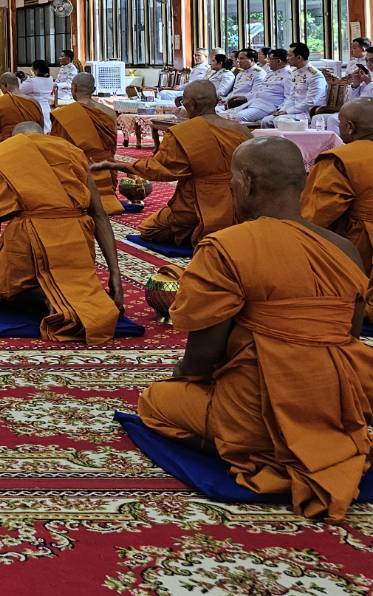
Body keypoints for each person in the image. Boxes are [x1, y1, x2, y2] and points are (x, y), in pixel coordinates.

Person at [136, 137, 373, 520]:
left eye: (232, 180)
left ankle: (263, 449)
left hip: (256, 410)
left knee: (156, 402)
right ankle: (314, 441)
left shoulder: (227, 246)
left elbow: (203, 356)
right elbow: (350, 331)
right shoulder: (343, 248)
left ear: (245, 182)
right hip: (336, 403)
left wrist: (182, 378)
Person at [0, 123, 125, 344]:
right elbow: (99, 214)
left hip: (30, 239)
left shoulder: (5, 154)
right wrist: (115, 273)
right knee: (79, 286)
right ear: (44, 135)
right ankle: (68, 294)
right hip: (77, 239)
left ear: (14, 138)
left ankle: (44, 295)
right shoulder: (71, 151)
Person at [101, 81, 251, 247]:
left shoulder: (185, 132)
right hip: (242, 203)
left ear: (189, 104)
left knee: (150, 229)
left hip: (198, 204)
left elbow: (159, 170)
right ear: (216, 101)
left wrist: (119, 165)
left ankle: (200, 232)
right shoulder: (241, 130)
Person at [300, 97, 373, 284]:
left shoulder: (342, 159)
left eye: (339, 123)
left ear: (350, 127)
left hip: (362, 247)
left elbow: (318, 214)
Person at [49, 72, 125, 215]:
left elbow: (58, 147)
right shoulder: (109, 112)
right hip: (106, 165)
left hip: (79, 167)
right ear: (94, 89)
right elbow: (112, 144)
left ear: (74, 88)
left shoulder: (65, 114)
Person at [259, 42, 328, 125]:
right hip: (294, 111)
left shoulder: (315, 75)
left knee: (279, 120)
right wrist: (282, 110)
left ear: (299, 57)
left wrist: (287, 111)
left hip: (307, 113)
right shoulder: (294, 72)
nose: (287, 58)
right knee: (266, 120)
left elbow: (311, 102)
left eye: (290, 55)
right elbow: (291, 97)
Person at [221, 48, 290, 124]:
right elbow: (259, 90)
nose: (267, 62)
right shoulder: (270, 74)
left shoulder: (288, 75)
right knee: (224, 115)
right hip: (254, 102)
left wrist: (281, 110)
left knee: (235, 117)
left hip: (268, 106)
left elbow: (288, 97)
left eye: (270, 59)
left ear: (278, 61)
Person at [0, 73, 44, 140]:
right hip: (33, 143)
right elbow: (40, 127)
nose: (1, 91)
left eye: (1, 87)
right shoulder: (35, 102)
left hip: (8, 145)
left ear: (5, 85)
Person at [18, 60, 55, 130]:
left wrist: (20, 80)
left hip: (34, 107)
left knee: (35, 129)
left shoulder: (32, 81)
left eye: (32, 69)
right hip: (46, 107)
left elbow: (20, 90)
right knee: (47, 128)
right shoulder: (50, 79)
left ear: (36, 70)